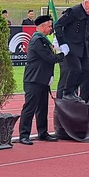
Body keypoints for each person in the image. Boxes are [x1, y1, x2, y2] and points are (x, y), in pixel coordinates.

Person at [18, 16, 63, 145]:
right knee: (30, 108)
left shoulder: (42, 39)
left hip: (42, 79)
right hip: (34, 79)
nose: (51, 29)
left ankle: (42, 132)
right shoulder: (37, 40)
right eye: (49, 26)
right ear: (42, 26)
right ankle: (24, 135)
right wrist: (62, 54)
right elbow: (49, 58)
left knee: (42, 108)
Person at [54, 0, 89, 102]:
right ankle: (67, 92)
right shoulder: (73, 11)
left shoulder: (88, 13)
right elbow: (57, 25)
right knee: (76, 69)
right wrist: (62, 43)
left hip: (82, 47)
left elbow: (88, 27)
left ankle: (72, 90)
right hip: (70, 46)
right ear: (86, 3)